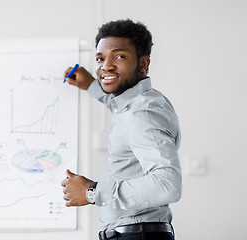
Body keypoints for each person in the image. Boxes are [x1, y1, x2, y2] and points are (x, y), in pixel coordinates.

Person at [61, 19, 182, 240]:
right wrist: (90, 84)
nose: (105, 66)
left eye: (119, 56)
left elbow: (167, 184)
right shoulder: (137, 103)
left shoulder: (142, 113)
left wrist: (92, 192)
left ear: (143, 63)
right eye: (100, 58)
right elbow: (118, 106)